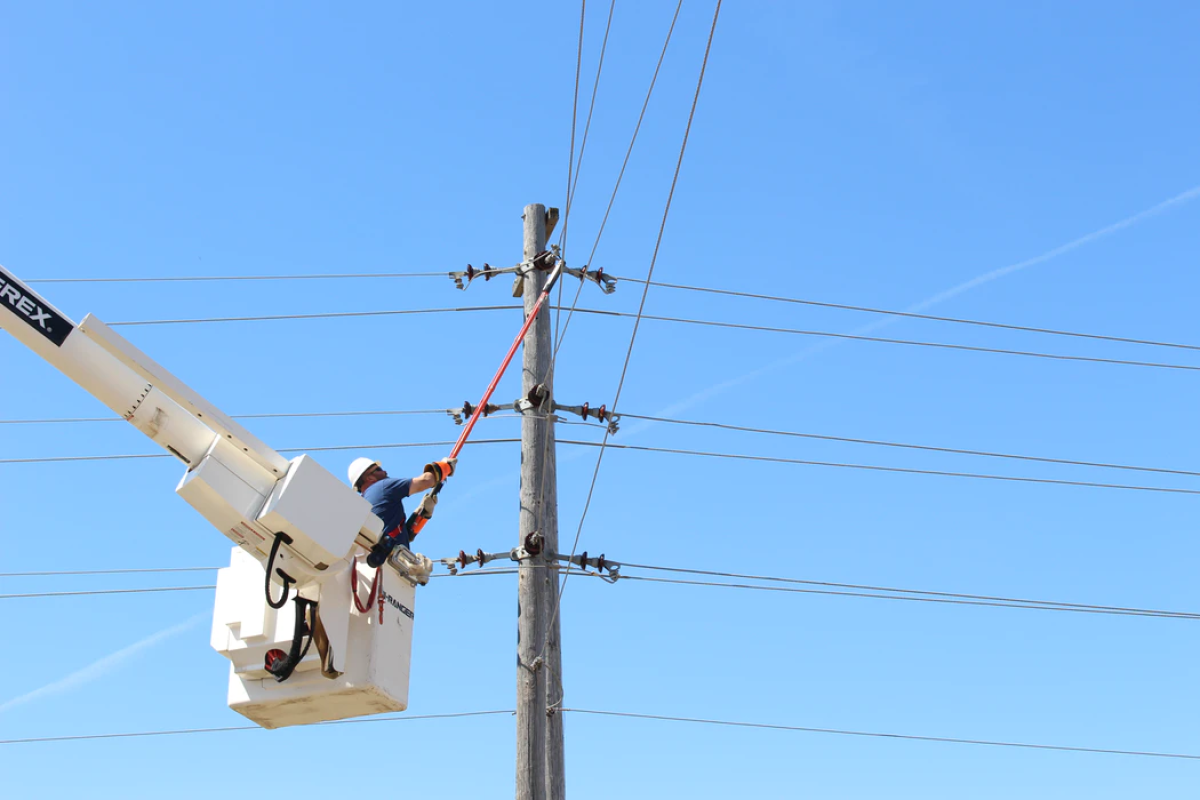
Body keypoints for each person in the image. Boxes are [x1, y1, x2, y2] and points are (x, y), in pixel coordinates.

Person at [347, 457, 456, 555]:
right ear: (370, 478)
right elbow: (426, 480)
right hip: (393, 564)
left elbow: (399, 534)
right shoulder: (382, 487)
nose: (385, 471)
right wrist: (445, 466)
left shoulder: (364, 505)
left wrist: (422, 513)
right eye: (378, 470)